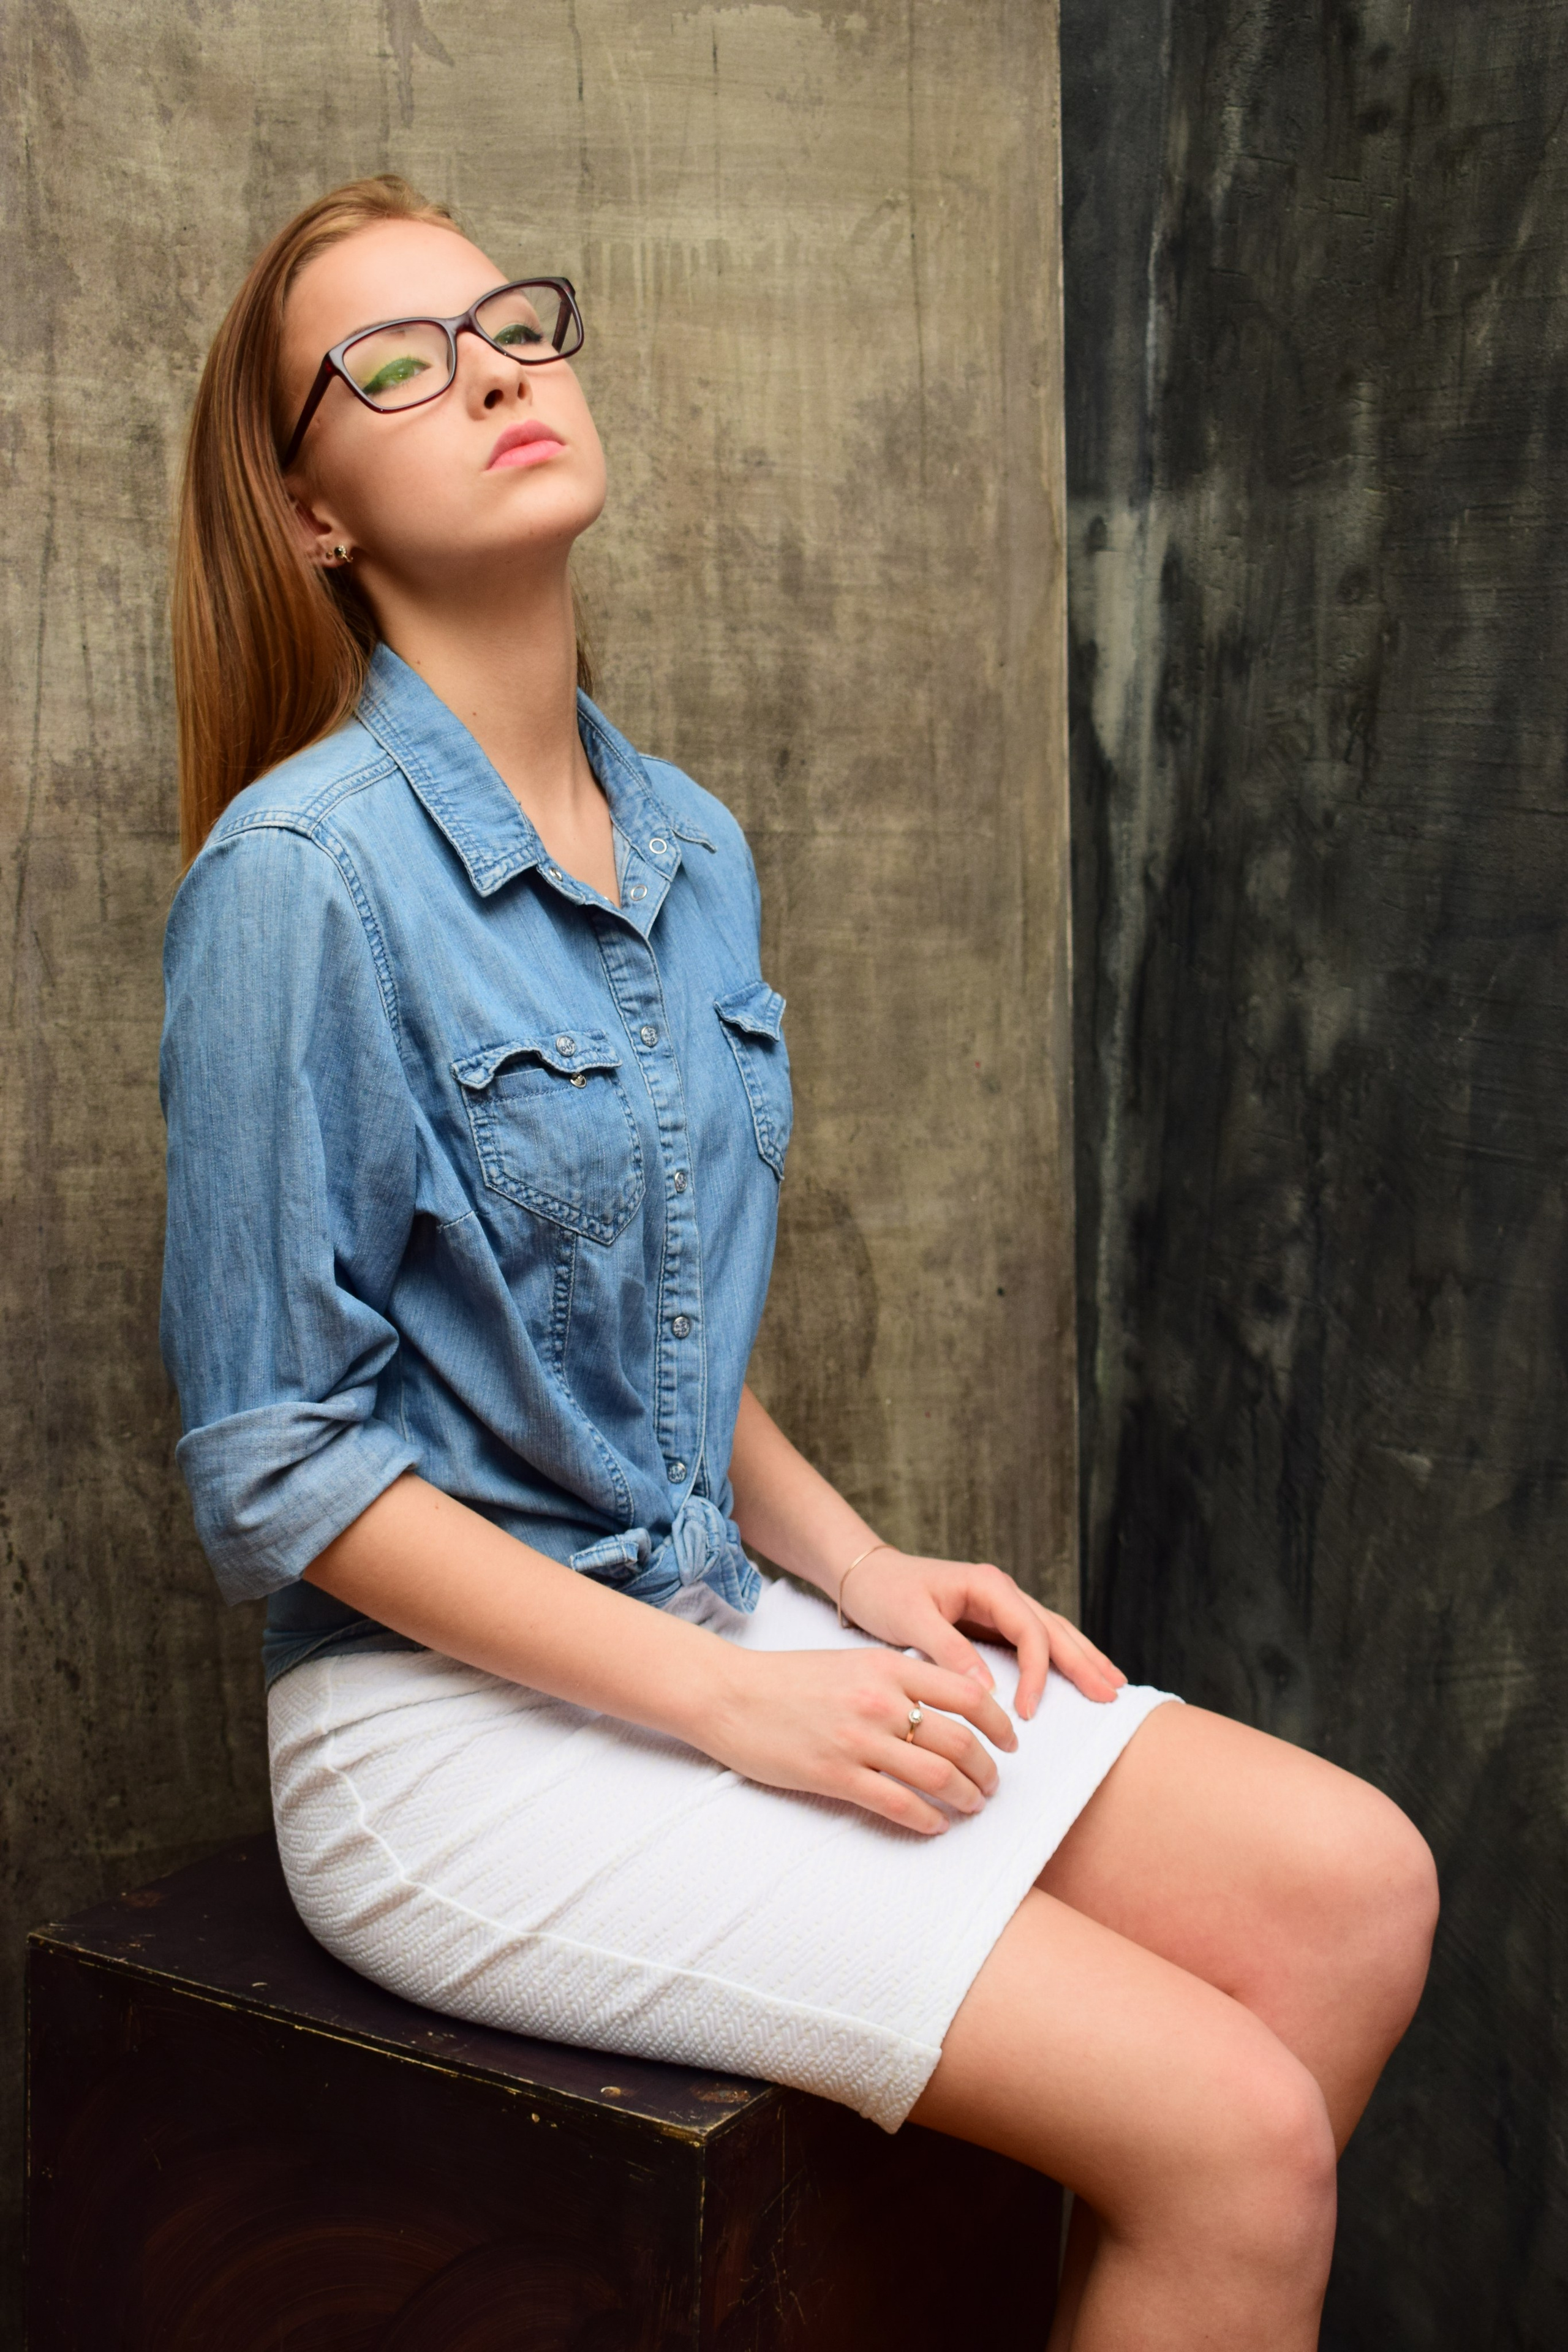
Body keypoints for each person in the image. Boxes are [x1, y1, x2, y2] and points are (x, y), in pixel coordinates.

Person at [160, 176, 1438, 2350]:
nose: (490, 366)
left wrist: (854, 1574)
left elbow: (643, 1324)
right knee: (1231, 2130)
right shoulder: (302, 872)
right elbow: (279, 1470)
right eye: (394, 359)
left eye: (511, 321)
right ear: (311, 520)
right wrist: (743, 1707)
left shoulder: (688, 846)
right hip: (442, 1739)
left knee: (1354, 1891)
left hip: (709, 1620)